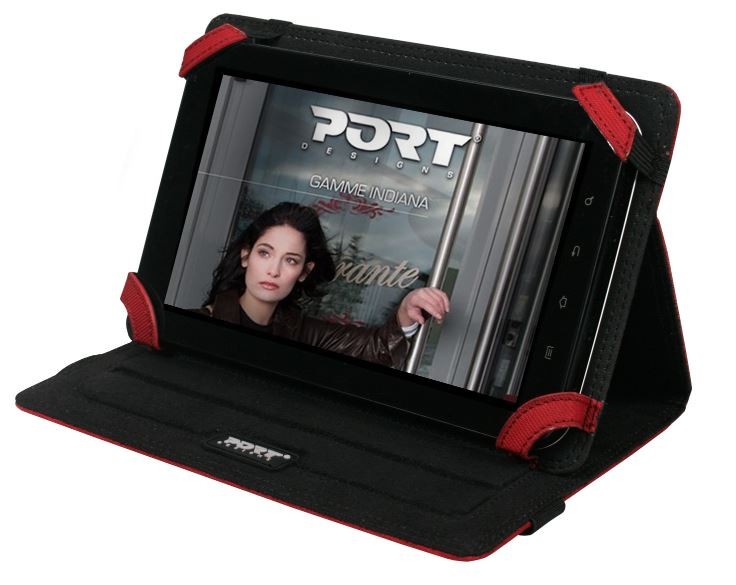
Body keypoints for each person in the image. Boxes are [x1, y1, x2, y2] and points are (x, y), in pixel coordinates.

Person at [194, 202, 450, 369]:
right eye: (265, 253)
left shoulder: (302, 332)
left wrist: (406, 309)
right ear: (245, 256)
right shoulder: (200, 325)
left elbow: (377, 347)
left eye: (290, 260)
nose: (274, 270)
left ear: (304, 272)